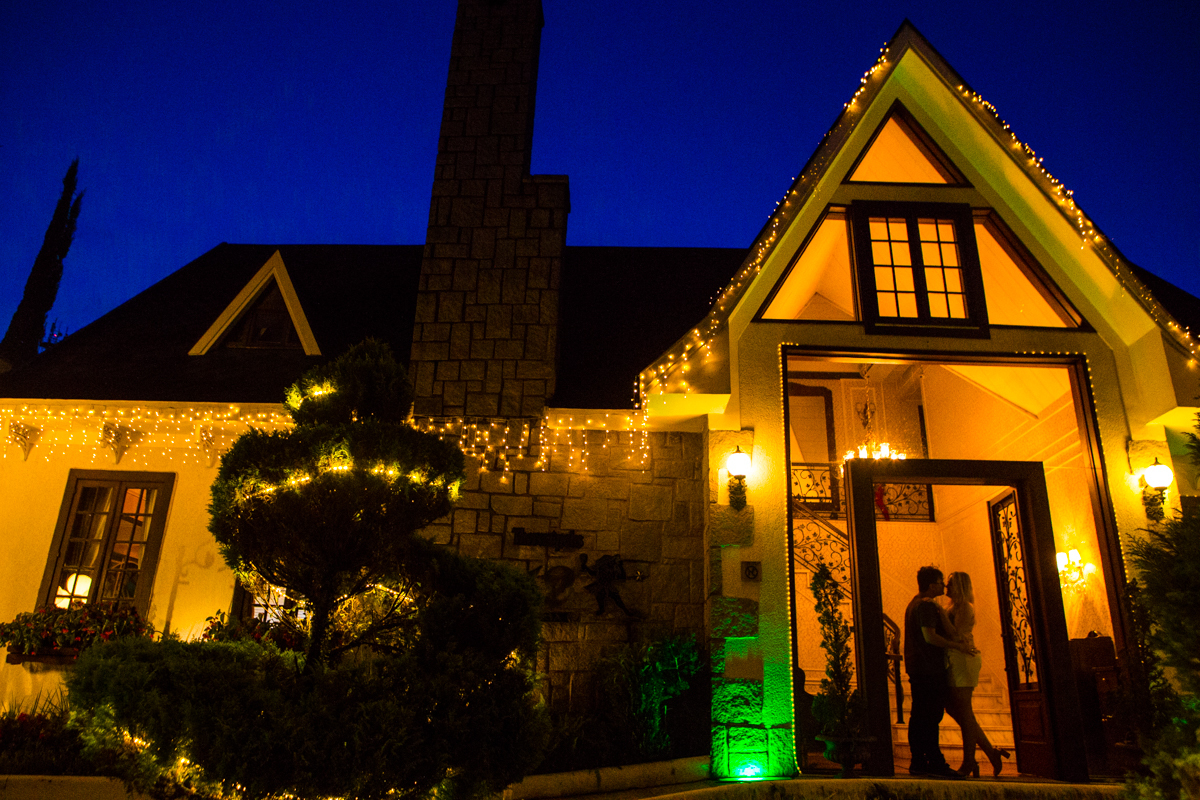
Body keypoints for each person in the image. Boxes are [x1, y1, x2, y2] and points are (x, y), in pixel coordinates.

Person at [903, 566, 973, 779]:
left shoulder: (918, 603)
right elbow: (930, 637)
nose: (944, 586)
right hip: (927, 669)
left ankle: (920, 761)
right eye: (942, 582)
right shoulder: (925, 606)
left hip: (920, 668)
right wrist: (957, 646)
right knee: (929, 717)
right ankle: (932, 761)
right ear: (932, 584)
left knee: (921, 716)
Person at [942, 571, 1011, 777]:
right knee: (955, 709)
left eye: (950, 584)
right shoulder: (952, 607)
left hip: (963, 659)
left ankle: (969, 761)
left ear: (960, 586)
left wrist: (940, 616)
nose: (946, 587)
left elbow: (956, 634)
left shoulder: (965, 607)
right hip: (954, 657)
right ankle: (991, 752)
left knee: (964, 711)